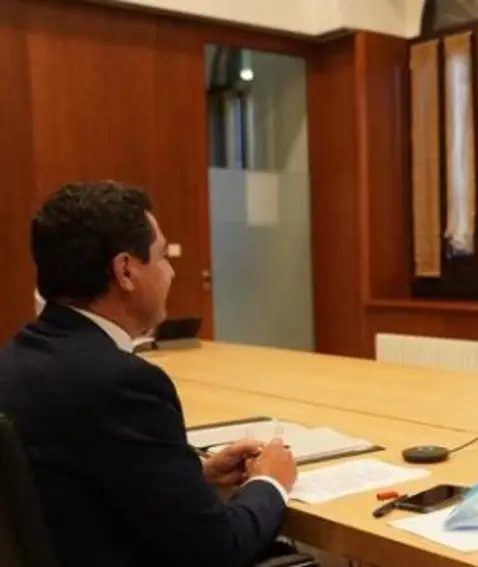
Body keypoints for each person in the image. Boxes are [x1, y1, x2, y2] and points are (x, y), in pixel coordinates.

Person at [0, 181, 298, 567]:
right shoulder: (123, 385)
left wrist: (191, 475)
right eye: (161, 257)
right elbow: (216, 549)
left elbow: (72, 479)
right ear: (125, 270)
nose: (171, 273)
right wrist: (270, 482)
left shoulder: (19, 355)